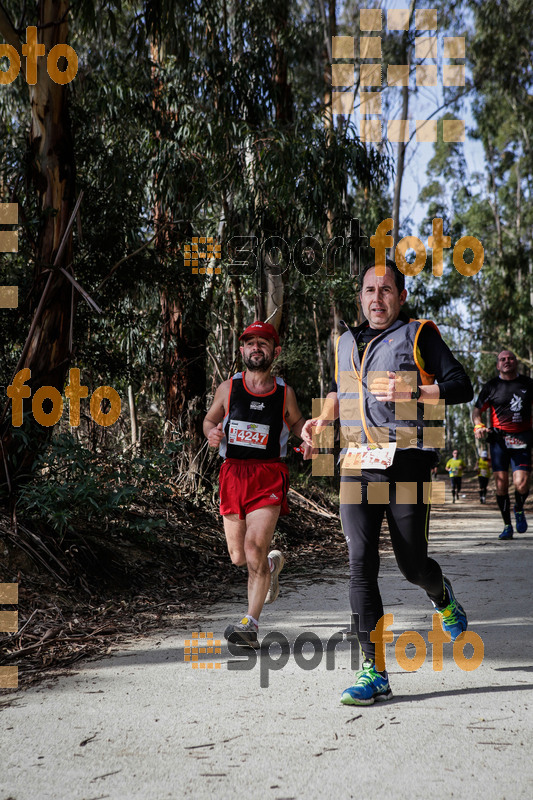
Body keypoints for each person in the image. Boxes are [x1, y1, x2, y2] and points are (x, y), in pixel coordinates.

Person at [302, 259, 473, 705]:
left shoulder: (420, 334)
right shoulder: (344, 341)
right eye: (369, 290)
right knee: (360, 561)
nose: (377, 298)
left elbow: (462, 383)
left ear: (400, 296)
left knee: (412, 565)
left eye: (386, 290)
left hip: (408, 461)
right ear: (360, 297)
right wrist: (319, 421)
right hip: (357, 461)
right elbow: (342, 393)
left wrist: (418, 391)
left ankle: (442, 595)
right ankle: (373, 670)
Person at [203, 321, 308, 648]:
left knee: (253, 548)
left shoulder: (283, 392)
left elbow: (298, 424)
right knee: (238, 556)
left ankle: (250, 626)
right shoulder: (228, 388)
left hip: (267, 475)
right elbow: (209, 419)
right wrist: (211, 432)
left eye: (263, 344)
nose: (256, 348)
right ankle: (272, 566)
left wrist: (306, 437)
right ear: (242, 350)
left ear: (274, 352)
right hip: (233, 474)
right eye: (250, 343)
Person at [472, 350, 533, 540]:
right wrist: (479, 426)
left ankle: (519, 508)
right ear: (498, 365)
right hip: (499, 440)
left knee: (522, 484)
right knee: (501, 485)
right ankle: (507, 525)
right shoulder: (491, 386)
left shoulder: (528, 384)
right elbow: (476, 411)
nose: (507, 361)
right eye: (502, 359)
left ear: (516, 362)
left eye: (510, 358)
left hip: (522, 438)